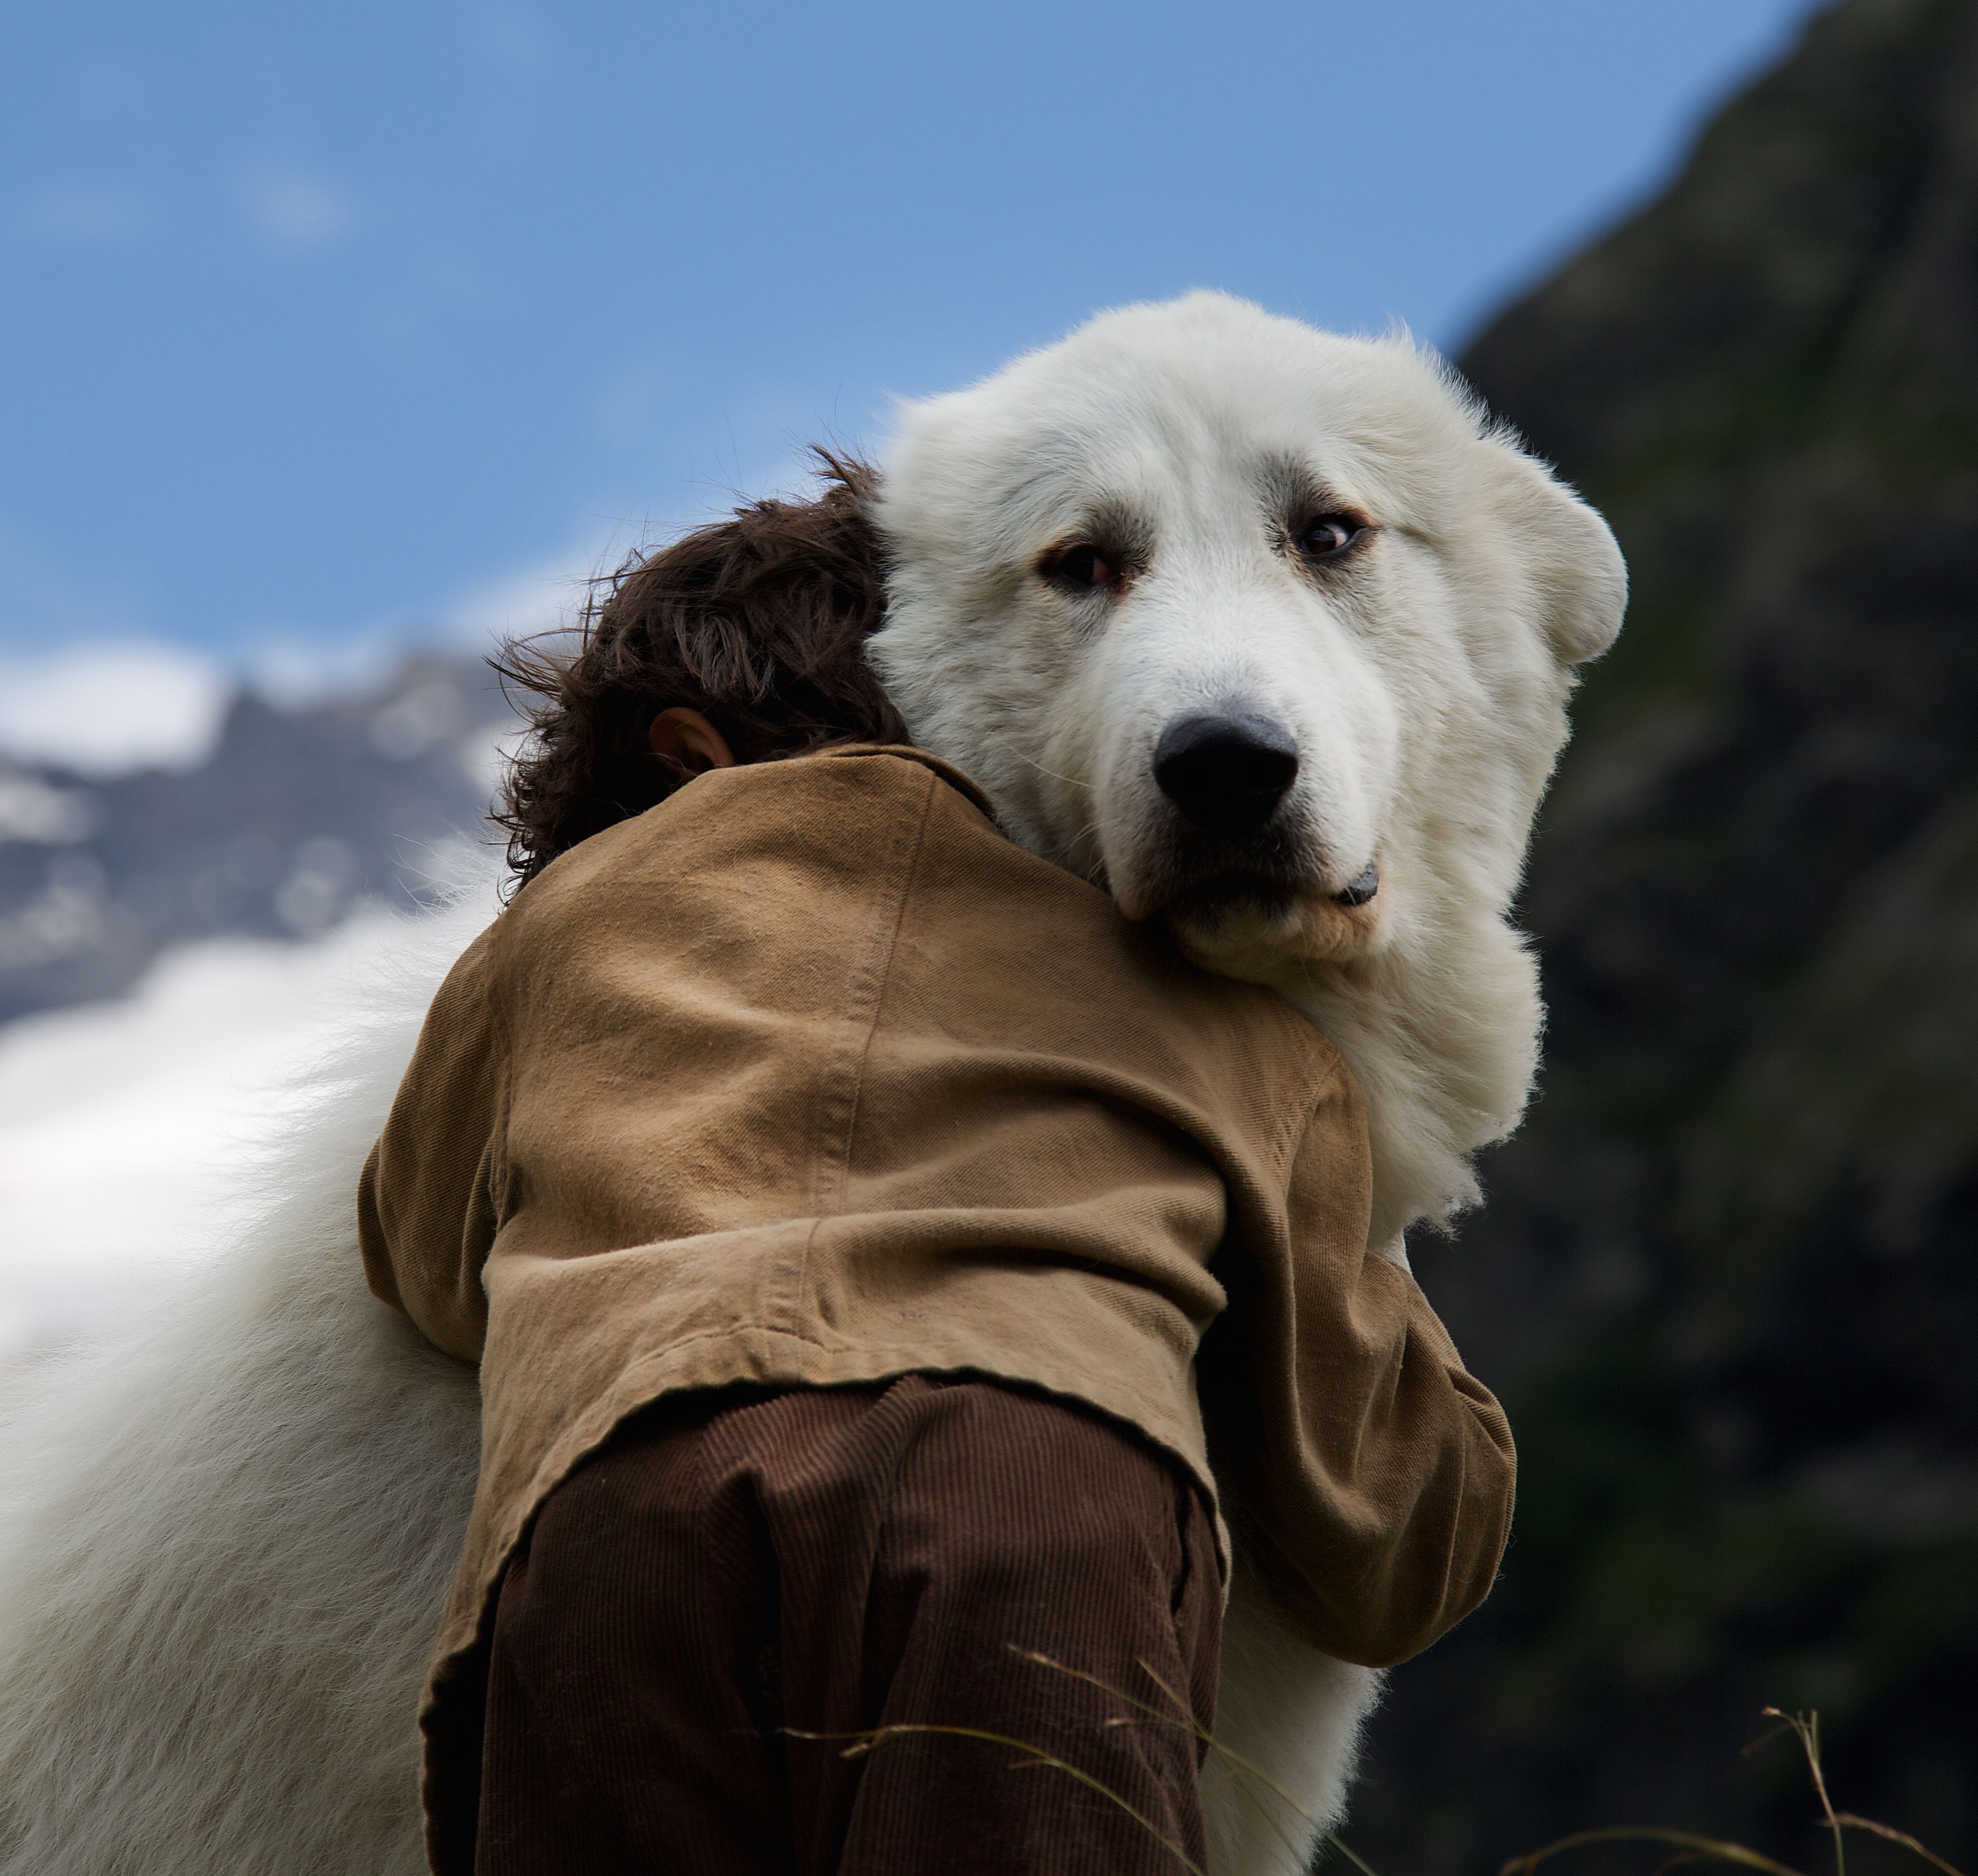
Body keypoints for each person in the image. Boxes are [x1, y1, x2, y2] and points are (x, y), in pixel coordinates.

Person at [359, 461, 1514, 1876]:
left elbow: (419, 1253)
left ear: (683, 762)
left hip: (618, 1503)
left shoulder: (572, 924)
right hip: (1032, 1489)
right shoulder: (1194, 992)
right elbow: (1387, 1532)